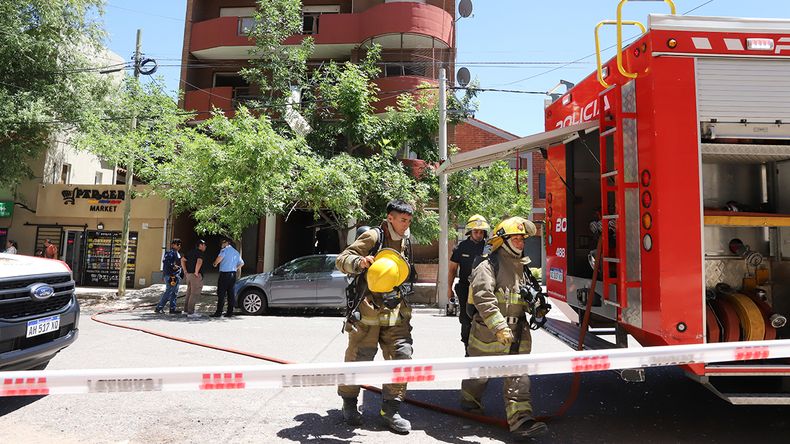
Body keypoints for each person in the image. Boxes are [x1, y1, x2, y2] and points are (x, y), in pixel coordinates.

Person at [460, 216, 548, 440]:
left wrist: (536, 306)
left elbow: (524, 297)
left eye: (522, 239)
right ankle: (470, 402)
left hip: (518, 334)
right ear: (503, 241)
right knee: (479, 376)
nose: (521, 242)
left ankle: (521, 420)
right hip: (488, 334)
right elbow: (483, 296)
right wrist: (498, 325)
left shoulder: (523, 269)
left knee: (518, 376)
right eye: (516, 238)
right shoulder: (487, 266)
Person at [335, 199, 415, 434]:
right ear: (390, 218)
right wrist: (359, 261)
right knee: (359, 358)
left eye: (409, 220)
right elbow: (342, 259)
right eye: (402, 220)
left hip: (395, 310)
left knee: (402, 356)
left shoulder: (406, 240)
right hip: (368, 310)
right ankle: (349, 404)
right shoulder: (373, 236)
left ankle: (391, 411)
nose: (406, 224)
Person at [448, 214, 489, 354]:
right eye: (475, 231)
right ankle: (467, 349)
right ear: (470, 232)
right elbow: (452, 269)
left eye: (481, 232)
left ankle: (483, 350)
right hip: (465, 288)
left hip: (485, 290)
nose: (478, 234)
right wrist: (449, 289)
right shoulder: (461, 247)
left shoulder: (490, 248)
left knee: (484, 319)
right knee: (466, 320)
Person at [212, 238, 244, 317]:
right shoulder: (235, 252)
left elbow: (219, 259)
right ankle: (230, 312)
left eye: (223, 242)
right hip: (232, 274)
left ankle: (219, 312)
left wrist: (215, 264)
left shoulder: (224, 250)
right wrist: (235, 268)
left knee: (221, 293)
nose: (222, 244)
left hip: (224, 274)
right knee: (231, 293)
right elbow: (242, 263)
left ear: (227, 243)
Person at [155, 238, 183, 314]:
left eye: (180, 244)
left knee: (173, 292)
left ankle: (172, 308)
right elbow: (167, 263)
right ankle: (159, 308)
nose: (179, 246)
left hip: (173, 275)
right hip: (172, 276)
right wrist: (174, 266)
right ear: (173, 245)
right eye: (178, 244)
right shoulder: (171, 253)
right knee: (169, 292)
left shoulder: (175, 253)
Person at [181, 239, 207, 318]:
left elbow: (182, 260)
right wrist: (196, 271)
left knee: (189, 292)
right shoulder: (200, 253)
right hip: (195, 275)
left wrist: (185, 271)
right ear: (201, 245)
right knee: (194, 293)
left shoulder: (190, 252)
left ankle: (186, 310)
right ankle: (191, 312)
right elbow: (199, 261)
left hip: (188, 275)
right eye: (204, 245)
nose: (205, 246)